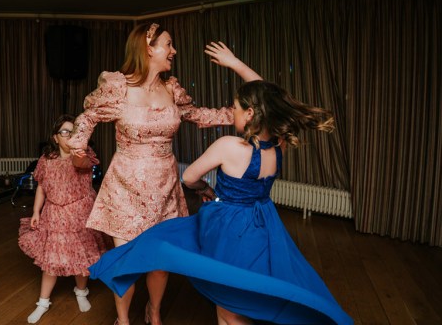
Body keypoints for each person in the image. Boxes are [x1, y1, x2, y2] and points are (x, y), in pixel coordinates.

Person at [89, 80, 354, 325]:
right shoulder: (279, 145)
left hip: (229, 226)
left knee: (228, 302)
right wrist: (238, 65)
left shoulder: (229, 146)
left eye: (236, 108)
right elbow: (268, 94)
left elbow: (190, 176)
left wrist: (204, 188)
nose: (233, 114)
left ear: (250, 113)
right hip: (263, 224)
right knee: (243, 291)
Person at [67, 22, 261, 325]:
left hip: (165, 185)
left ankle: (153, 312)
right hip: (125, 187)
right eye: (168, 44)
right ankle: (123, 319)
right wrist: (78, 146)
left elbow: (199, 115)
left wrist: (241, 114)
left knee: (160, 262)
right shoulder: (118, 87)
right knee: (127, 261)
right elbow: (88, 116)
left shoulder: (172, 89)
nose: (173, 51)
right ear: (148, 47)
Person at [18, 114, 109, 324]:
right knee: (50, 261)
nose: (69, 136)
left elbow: (84, 163)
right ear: (55, 138)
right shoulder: (46, 161)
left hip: (80, 213)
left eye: (73, 132)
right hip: (55, 214)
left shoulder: (84, 155)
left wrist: (80, 147)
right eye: (64, 132)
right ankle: (43, 302)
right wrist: (35, 212)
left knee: (81, 258)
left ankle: (81, 291)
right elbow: (41, 187)